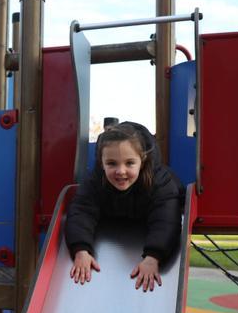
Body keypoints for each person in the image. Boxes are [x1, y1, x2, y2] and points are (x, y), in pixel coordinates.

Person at [65, 121, 184, 291]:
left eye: (129, 163)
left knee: (169, 207)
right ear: (102, 162)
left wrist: (153, 257)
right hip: (117, 215)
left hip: (148, 215)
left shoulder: (160, 183)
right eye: (112, 163)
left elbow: (166, 220)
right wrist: (81, 250)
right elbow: (81, 211)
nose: (121, 171)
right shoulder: (95, 181)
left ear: (142, 160)